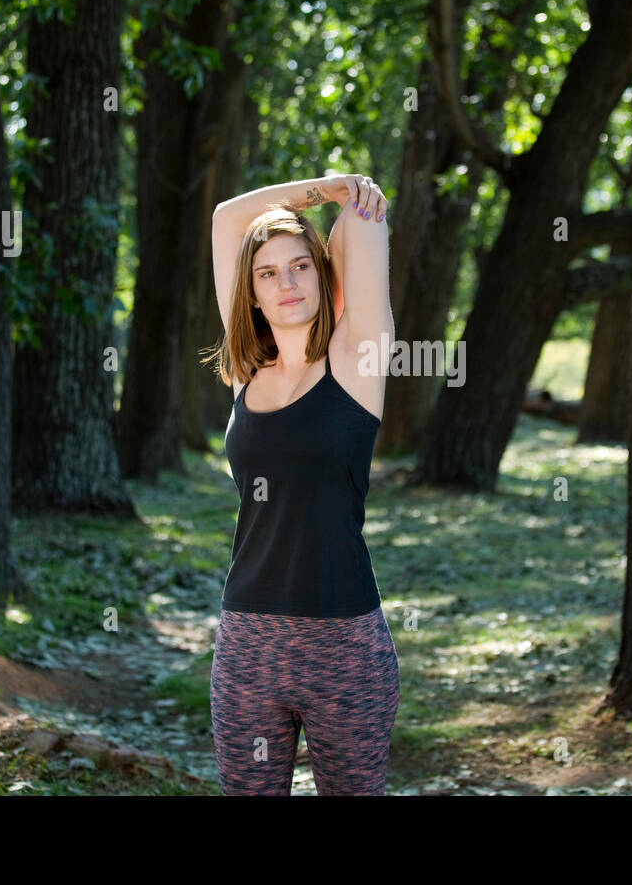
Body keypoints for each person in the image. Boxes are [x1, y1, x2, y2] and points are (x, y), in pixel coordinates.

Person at [202, 173, 398, 795]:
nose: (286, 284)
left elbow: (365, 223)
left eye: (300, 267)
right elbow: (226, 220)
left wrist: (352, 198)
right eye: (267, 273)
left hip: (345, 648)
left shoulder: (357, 360)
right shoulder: (243, 373)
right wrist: (323, 186)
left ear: (322, 276)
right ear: (251, 293)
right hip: (247, 647)